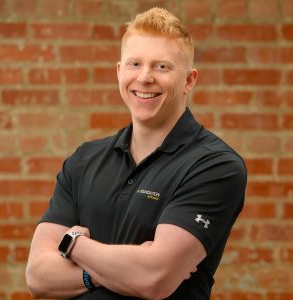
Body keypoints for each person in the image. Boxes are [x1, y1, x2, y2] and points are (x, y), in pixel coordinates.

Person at [26, 7, 247, 300]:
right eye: (134, 64)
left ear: (190, 81)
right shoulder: (84, 160)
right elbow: (38, 277)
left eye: (162, 67)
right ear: (120, 71)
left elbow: (153, 278)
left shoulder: (215, 165)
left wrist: (73, 244)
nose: (144, 78)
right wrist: (117, 269)